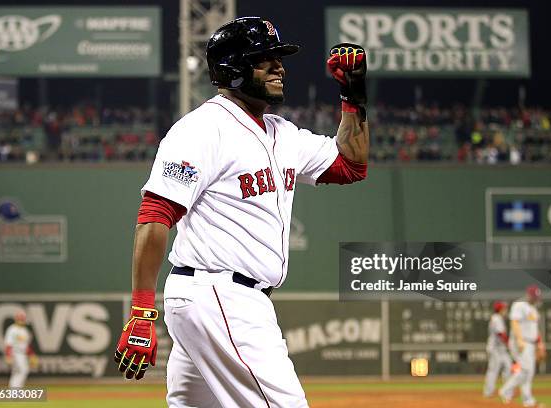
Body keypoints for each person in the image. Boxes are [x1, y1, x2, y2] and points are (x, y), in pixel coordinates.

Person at [113, 16, 369, 408]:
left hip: (217, 299)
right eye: (264, 59)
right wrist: (142, 308)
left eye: (278, 58)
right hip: (220, 295)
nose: (278, 66)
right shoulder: (202, 129)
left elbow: (351, 165)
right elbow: (155, 213)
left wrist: (352, 96)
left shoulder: (282, 133)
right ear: (233, 68)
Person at [499, 285, 546, 407]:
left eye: (537, 297)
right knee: (526, 370)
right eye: (534, 296)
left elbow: (535, 329)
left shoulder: (534, 309)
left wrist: (539, 343)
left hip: (530, 343)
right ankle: (506, 391)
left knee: (529, 372)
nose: (536, 299)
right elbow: (514, 322)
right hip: (520, 342)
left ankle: (527, 400)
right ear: (529, 295)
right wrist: (520, 340)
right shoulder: (519, 305)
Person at [483, 301, 512, 397]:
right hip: (495, 349)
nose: (505, 310)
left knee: (508, 367)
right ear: (500, 309)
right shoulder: (496, 318)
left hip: (501, 349)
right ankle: (488, 392)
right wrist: (509, 343)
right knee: (494, 370)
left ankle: (507, 391)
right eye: (504, 308)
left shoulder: (498, 318)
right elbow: (500, 334)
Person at [4, 310, 38, 388]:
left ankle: (16, 390)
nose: (21, 320)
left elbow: (26, 346)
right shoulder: (12, 329)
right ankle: (15, 390)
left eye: (22, 318)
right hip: (15, 352)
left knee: (19, 371)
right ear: (16, 318)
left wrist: (32, 355)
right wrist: (8, 355)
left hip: (23, 354)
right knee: (22, 370)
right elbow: (8, 344)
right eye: (20, 318)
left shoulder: (25, 331)